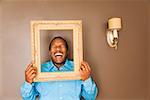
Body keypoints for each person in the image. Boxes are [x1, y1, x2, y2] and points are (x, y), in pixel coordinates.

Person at [21, 36, 98, 100]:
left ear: (67, 51)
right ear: (50, 52)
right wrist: (28, 82)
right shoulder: (39, 70)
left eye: (61, 46)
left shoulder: (79, 69)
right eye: (54, 46)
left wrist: (87, 79)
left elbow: (91, 97)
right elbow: (27, 98)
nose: (58, 49)